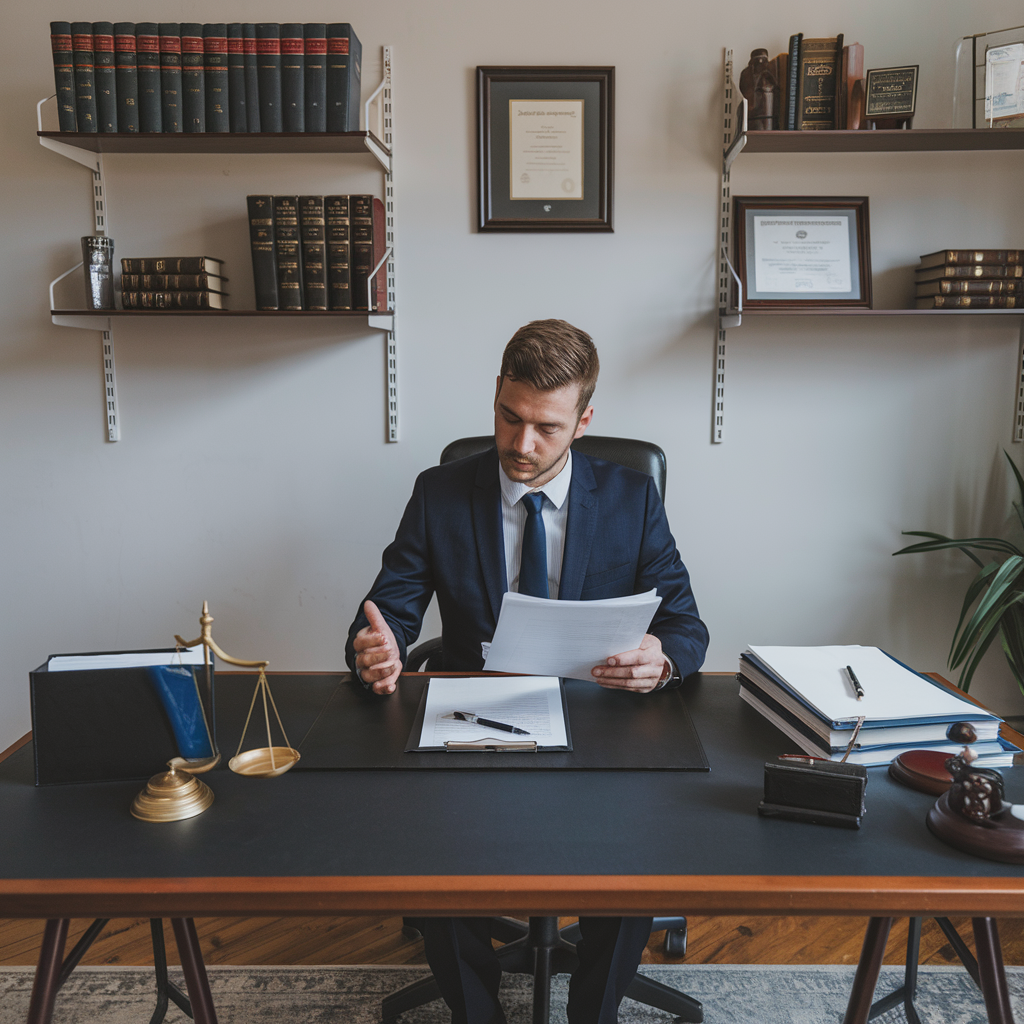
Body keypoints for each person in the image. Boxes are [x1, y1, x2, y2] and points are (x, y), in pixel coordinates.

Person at [346, 319, 709, 1024]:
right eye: (509, 418)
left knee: (631, 853)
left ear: (584, 420)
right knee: (434, 860)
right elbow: (386, 613)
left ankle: (593, 1012)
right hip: (473, 719)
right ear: (496, 397)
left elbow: (687, 625)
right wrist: (376, 651)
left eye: (546, 426)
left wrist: (660, 657)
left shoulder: (631, 498)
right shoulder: (441, 492)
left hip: (599, 718)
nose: (521, 444)